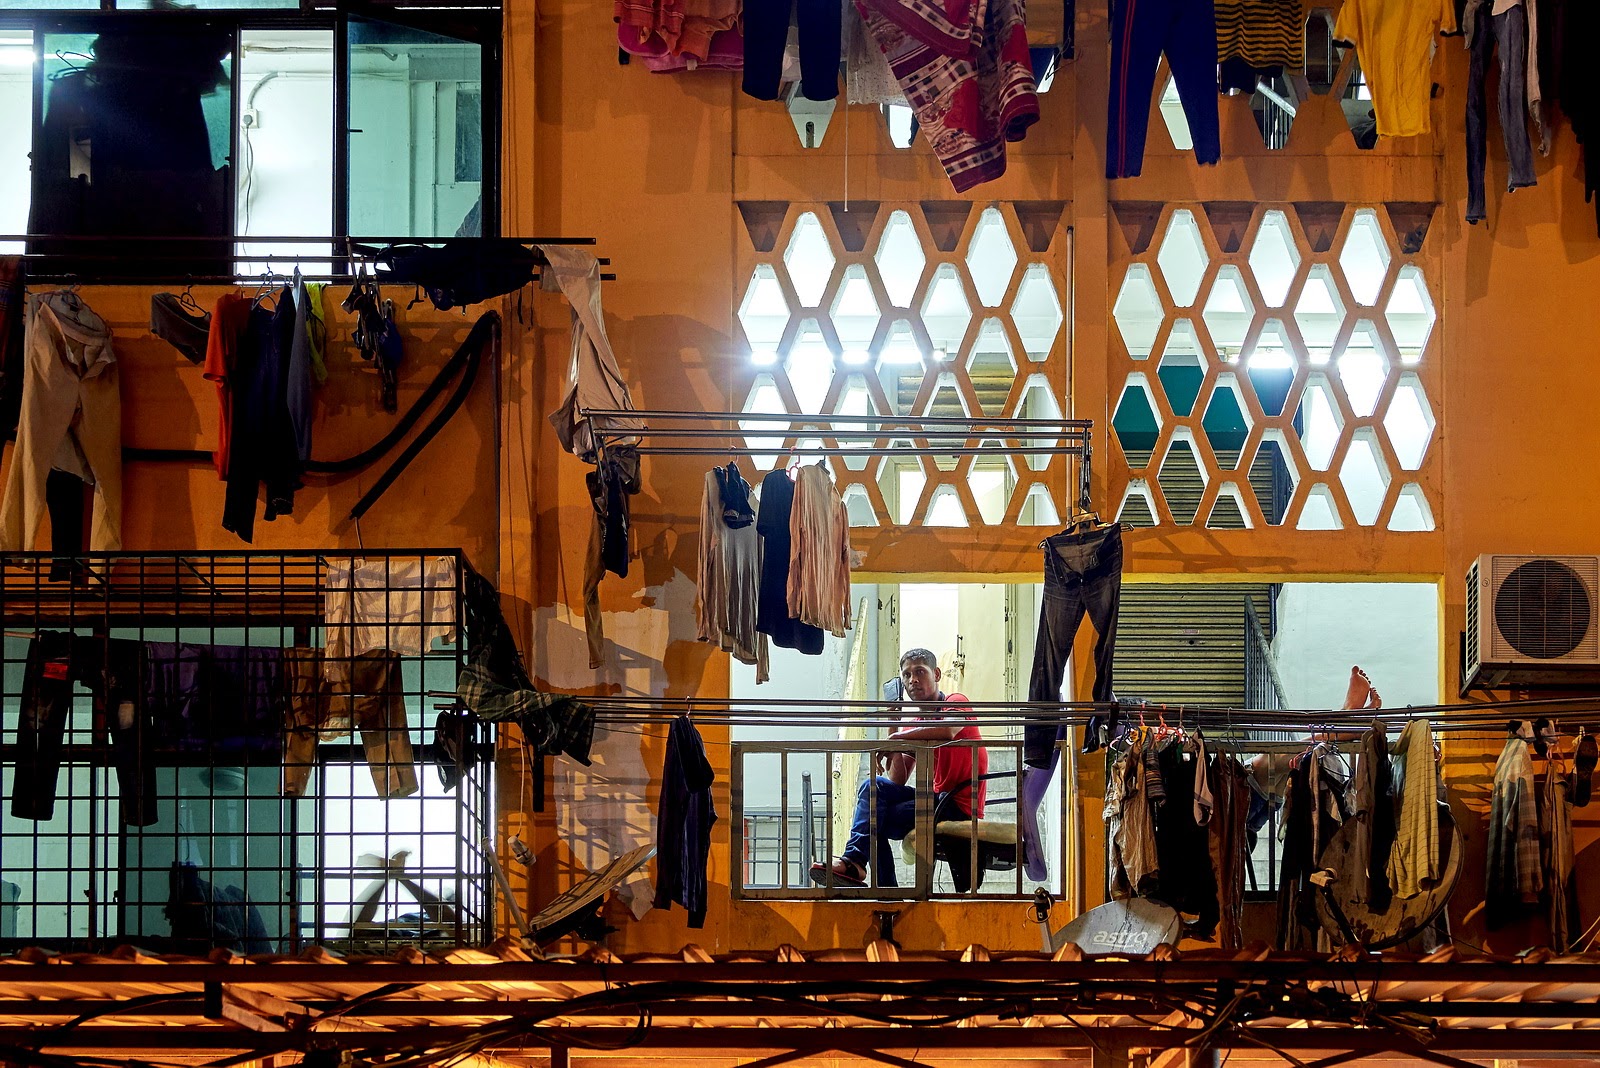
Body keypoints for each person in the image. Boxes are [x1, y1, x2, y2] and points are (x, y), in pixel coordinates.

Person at [809, 648, 986, 887]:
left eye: (920, 672)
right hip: (937, 800)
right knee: (873, 793)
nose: (913, 680)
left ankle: (864, 872)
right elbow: (898, 779)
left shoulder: (955, 702)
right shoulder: (914, 726)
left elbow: (949, 730)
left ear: (936, 674)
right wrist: (893, 724)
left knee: (875, 816)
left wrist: (898, 738)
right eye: (907, 675)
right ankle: (866, 872)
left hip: (958, 804)